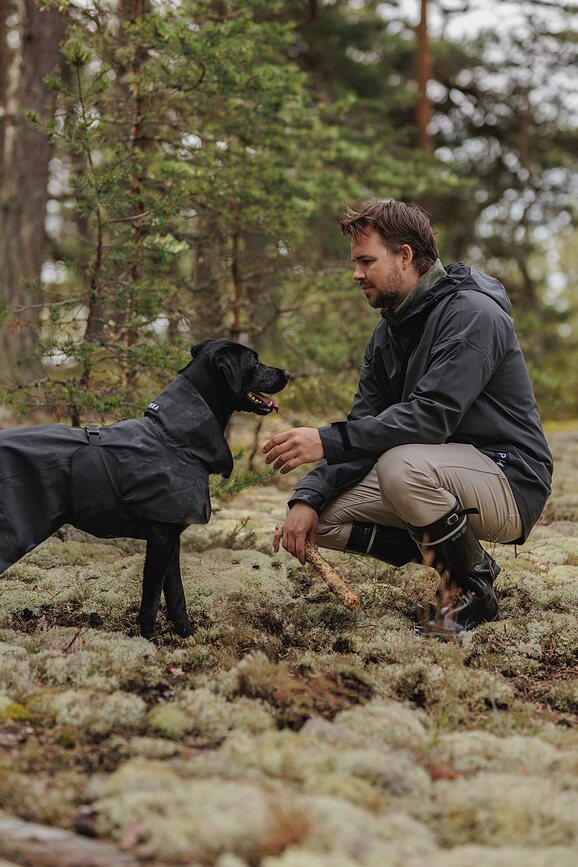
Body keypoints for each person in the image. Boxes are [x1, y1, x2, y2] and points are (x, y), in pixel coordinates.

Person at [262, 200, 553, 638]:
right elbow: (363, 429)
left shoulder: (474, 314)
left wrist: (324, 439)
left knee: (400, 465)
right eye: (355, 263)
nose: (356, 274)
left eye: (366, 261)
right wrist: (306, 497)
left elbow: (430, 417)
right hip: (438, 474)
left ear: (404, 256)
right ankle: (471, 560)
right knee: (321, 520)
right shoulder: (387, 335)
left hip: (509, 478)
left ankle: (472, 591)